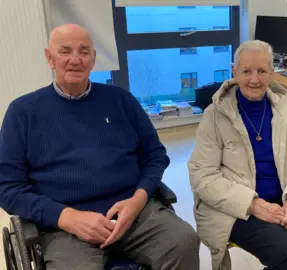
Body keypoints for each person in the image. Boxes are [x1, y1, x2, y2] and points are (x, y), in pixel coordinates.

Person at [0, 24, 199, 270]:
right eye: (65, 51)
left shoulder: (121, 100)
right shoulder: (23, 112)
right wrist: (67, 218)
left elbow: (155, 155)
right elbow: (8, 188)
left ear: (93, 59)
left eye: (84, 52)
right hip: (66, 228)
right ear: (49, 58)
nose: (75, 59)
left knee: (184, 242)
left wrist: (138, 199)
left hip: (134, 213)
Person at [188, 40, 287, 270]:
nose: (254, 79)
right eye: (246, 71)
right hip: (237, 206)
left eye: (262, 71)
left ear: (272, 73)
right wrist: (252, 204)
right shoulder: (215, 115)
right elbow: (202, 176)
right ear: (234, 71)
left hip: (285, 199)